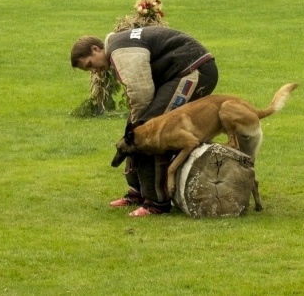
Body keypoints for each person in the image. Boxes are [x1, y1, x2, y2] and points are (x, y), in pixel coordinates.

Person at [71, 26, 218, 216]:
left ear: (95, 49)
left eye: (90, 64)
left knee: (149, 135)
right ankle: (138, 191)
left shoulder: (121, 51)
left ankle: (156, 202)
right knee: (137, 133)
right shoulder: (120, 45)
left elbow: (141, 94)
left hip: (192, 72)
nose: (94, 71)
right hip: (185, 70)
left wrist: (137, 127)